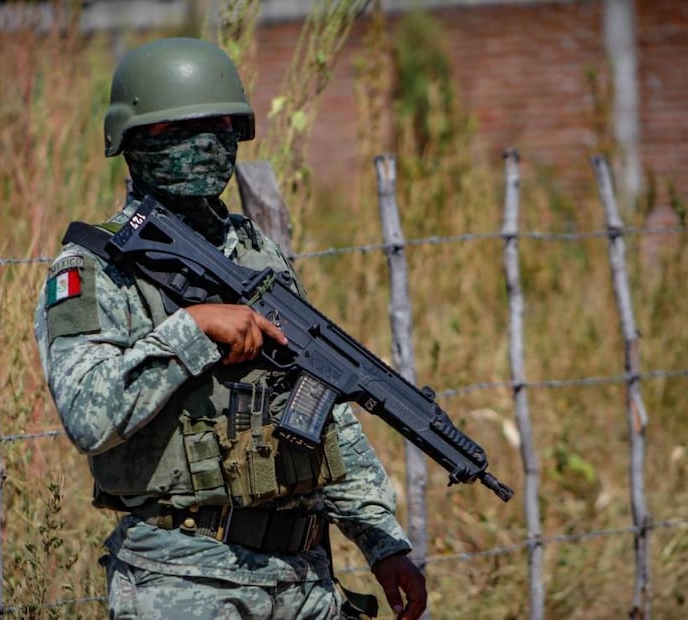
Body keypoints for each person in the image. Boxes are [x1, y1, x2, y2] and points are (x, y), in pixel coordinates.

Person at [34, 37, 427, 619]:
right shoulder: (97, 268)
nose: (205, 144)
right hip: (183, 579)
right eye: (179, 131)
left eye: (220, 126)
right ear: (132, 143)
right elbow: (91, 417)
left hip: (303, 578)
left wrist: (381, 541)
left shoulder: (255, 252)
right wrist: (194, 329)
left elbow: (324, 405)